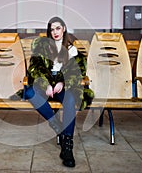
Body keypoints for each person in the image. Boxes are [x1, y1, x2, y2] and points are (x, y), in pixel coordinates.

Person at [24, 16, 94, 167]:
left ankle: (67, 146)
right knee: (29, 92)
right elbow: (34, 69)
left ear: (63, 29)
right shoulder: (42, 47)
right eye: (52, 29)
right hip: (47, 84)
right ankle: (57, 125)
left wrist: (63, 82)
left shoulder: (71, 50)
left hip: (63, 85)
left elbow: (77, 73)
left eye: (58, 28)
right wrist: (46, 84)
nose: (55, 32)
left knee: (69, 99)